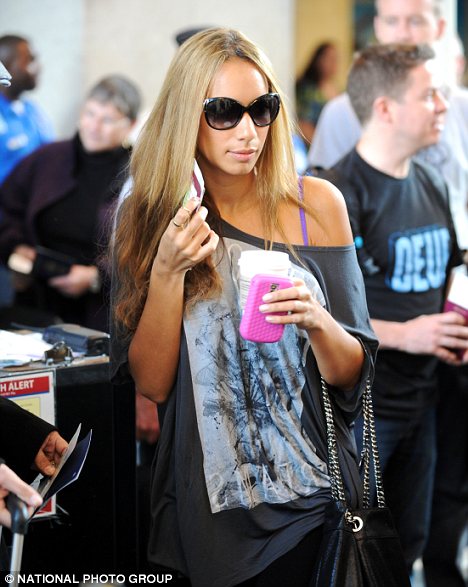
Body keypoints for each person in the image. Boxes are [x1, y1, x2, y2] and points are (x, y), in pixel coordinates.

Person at [110, 27, 378, 587]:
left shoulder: (315, 205)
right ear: (187, 115)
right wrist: (168, 271)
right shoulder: (150, 216)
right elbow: (153, 385)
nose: (248, 131)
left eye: (262, 109)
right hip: (210, 510)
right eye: (224, 112)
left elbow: (354, 372)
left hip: (313, 497)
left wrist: (317, 318)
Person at [319, 43, 468, 574]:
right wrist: (407, 333)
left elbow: (451, 273)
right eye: (429, 95)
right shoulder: (335, 193)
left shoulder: (429, 181)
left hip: (424, 399)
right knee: (358, 556)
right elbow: (317, 316)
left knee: (410, 547)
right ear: (385, 107)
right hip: (363, 411)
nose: (443, 106)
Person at [0, 74, 141, 331]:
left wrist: (97, 277)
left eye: (107, 120)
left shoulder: (138, 175)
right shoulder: (47, 158)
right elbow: (8, 207)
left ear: (130, 125)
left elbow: (143, 245)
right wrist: (16, 247)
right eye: (90, 114)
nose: (94, 126)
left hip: (101, 313)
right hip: (36, 302)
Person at [295, 41, 340, 149]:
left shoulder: (337, 89)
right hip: (316, 147)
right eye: (330, 59)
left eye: (335, 59)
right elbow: (304, 125)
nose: (333, 63)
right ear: (319, 60)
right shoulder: (308, 91)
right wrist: (324, 147)